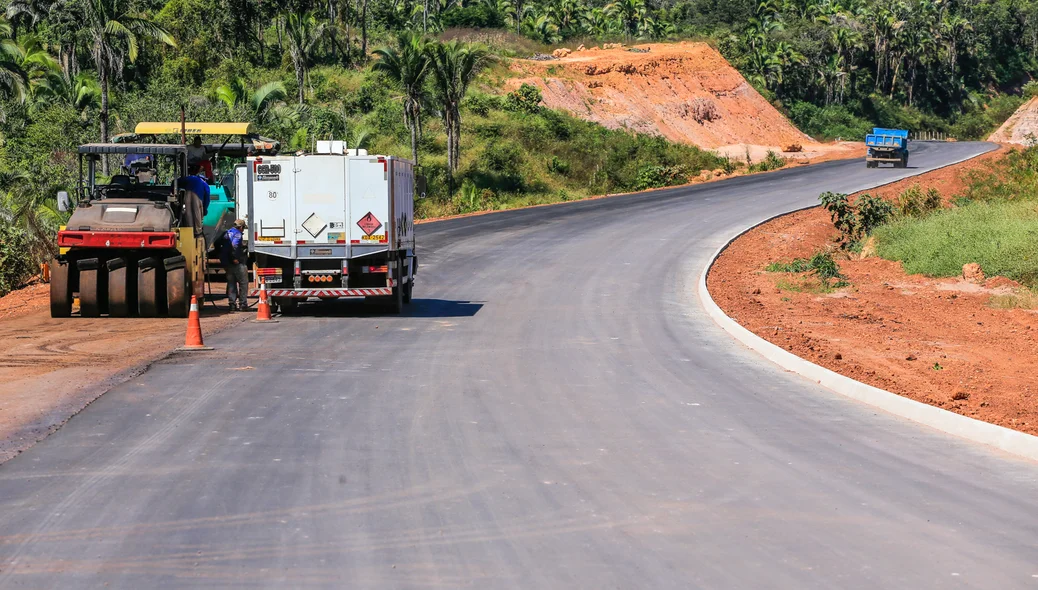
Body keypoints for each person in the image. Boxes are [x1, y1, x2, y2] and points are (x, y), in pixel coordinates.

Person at [220, 219, 249, 312]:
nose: (243, 230)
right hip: (237, 263)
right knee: (243, 283)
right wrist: (234, 258)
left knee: (231, 284)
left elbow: (217, 244)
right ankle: (242, 304)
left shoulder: (226, 233)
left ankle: (232, 304)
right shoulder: (237, 234)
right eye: (243, 228)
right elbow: (235, 246)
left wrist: (223, 257)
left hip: (228, 264)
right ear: (240, 227)